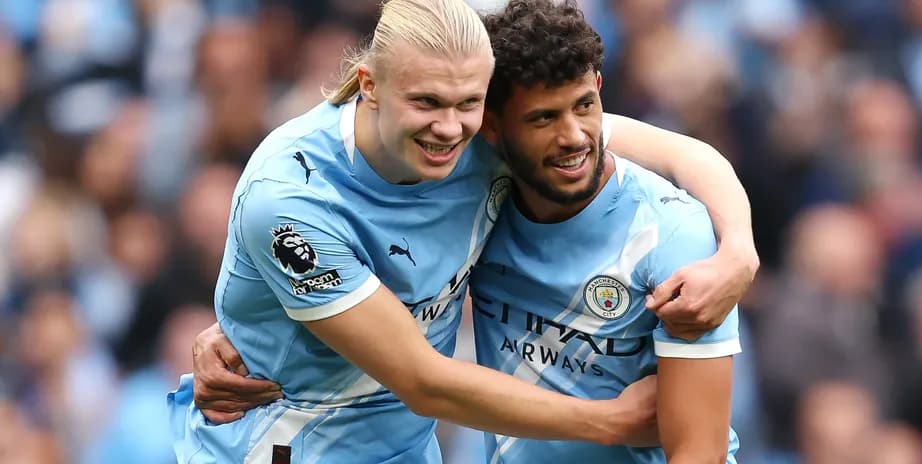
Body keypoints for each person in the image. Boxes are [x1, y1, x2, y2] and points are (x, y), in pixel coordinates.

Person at [172, 0, 758, 461]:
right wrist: (613, 420)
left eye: (468, 104)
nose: (450, 128)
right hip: (281, 449)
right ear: (369, 84)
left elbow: (683, 155)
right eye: (427, 102)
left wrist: (738, 252)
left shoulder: (491, 140)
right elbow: (424, 381)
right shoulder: (291, 199)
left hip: (407, 452)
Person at [470, 1, 740, 461]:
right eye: (543, 118)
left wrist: (740, 249)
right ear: (492, 127)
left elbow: (700, 452)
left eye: (584, 106)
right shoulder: (471, 197)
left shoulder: (671, 232)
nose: (573, 136)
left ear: (598, 88)